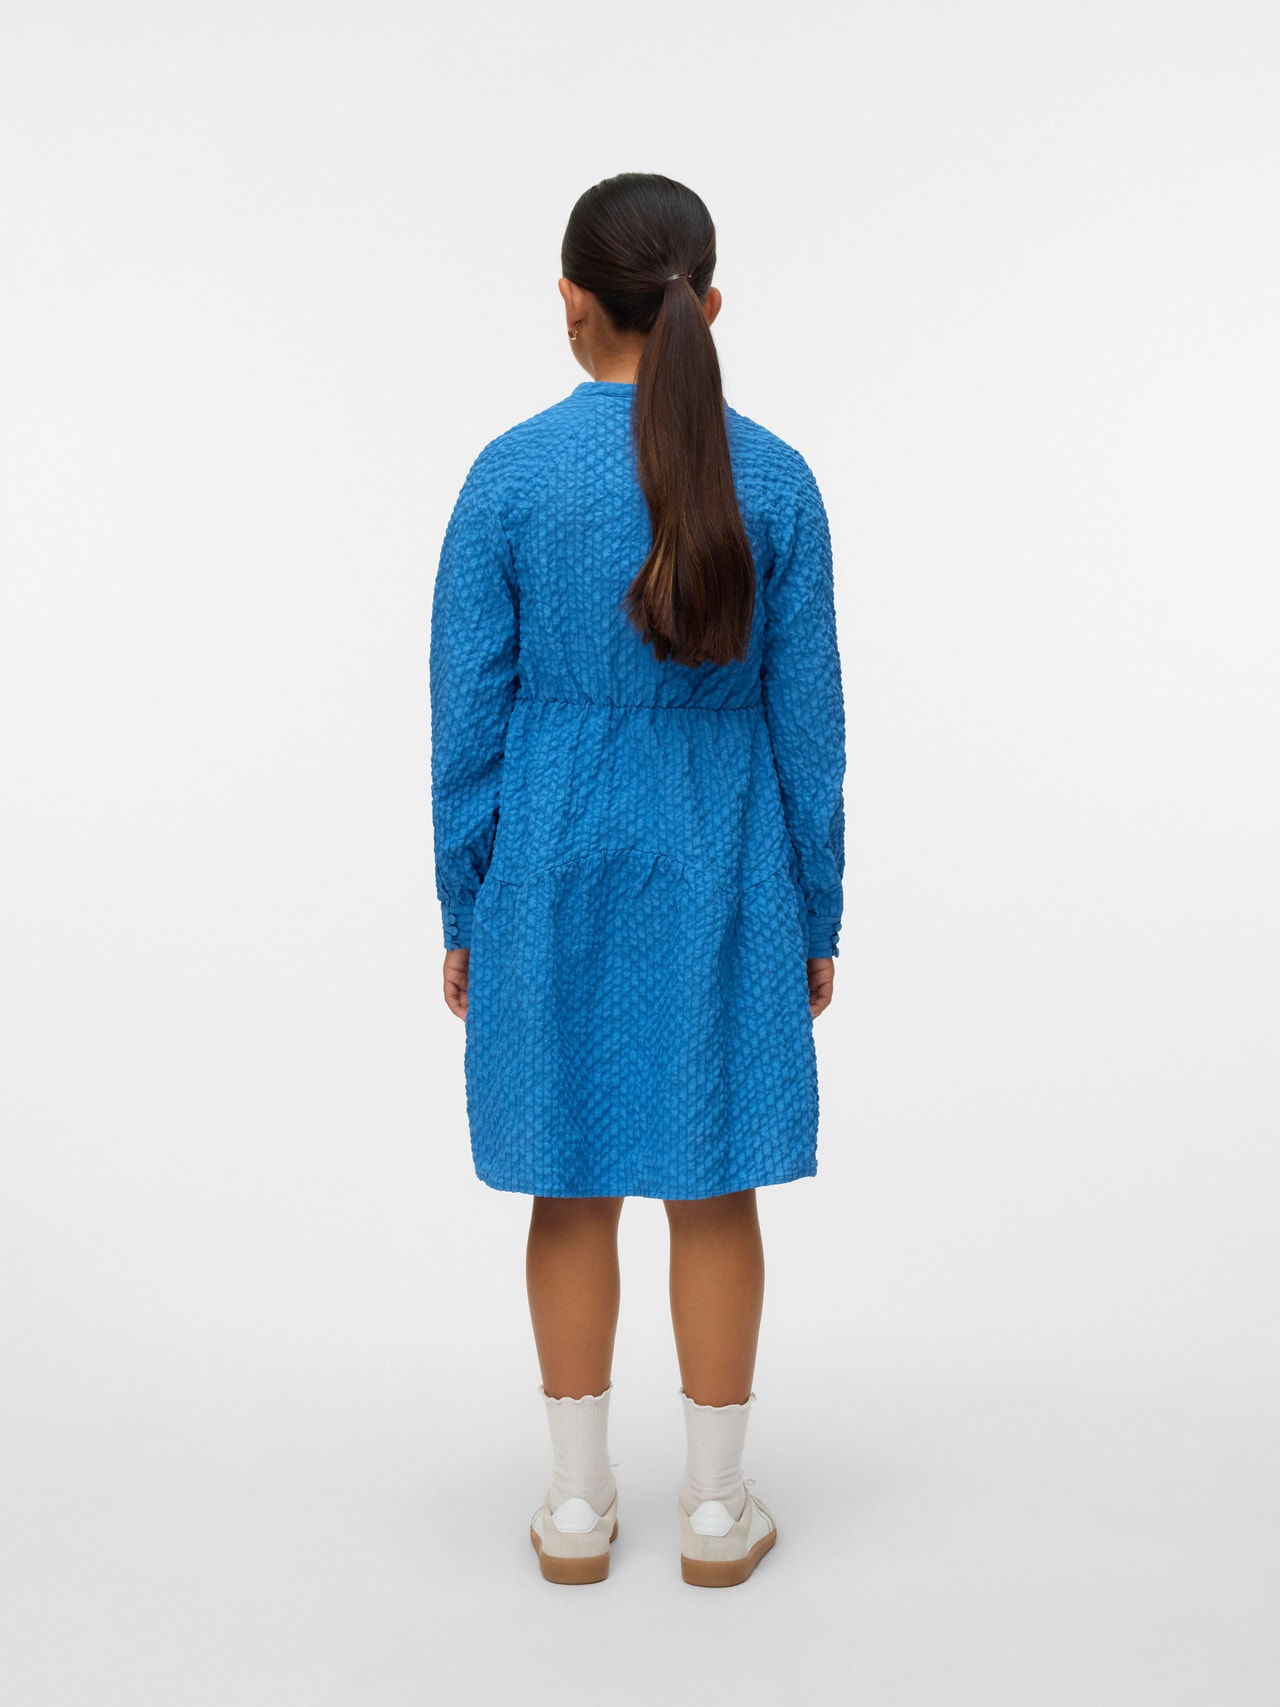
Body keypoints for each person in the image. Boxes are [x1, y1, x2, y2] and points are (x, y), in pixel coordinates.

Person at [429, 172, 846, 1587]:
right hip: (724, 857)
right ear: (706, 307)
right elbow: (810, 726)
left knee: (569, 1177)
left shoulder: (507, 478)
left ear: (570, 303)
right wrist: (816, 907)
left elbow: (466, 716)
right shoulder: (774, 479)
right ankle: (718, 1514)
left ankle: (574, 1507)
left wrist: (465, 901)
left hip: (549, 858)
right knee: (713, 1178)